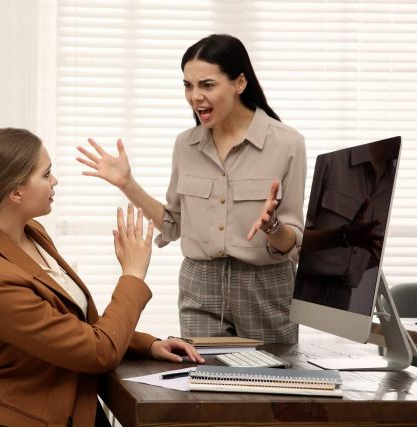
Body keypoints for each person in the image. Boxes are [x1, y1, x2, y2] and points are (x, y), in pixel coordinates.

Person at [0, 128, 203, 427]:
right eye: (46, 174)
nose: (55, 181)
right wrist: (133, 274)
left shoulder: (32, 234)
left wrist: (147, 345)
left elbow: (73, 327)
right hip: (29, 417)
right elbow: (97, 353)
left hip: (71, 400)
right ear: (16, 192)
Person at [76, 34, 306, 344]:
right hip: (201, 284)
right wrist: (127, 184)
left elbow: (293, 241)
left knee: (273, 383)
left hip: (265, 286)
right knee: (202, 383)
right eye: (188, 85)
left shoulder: (287, 143)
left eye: (207, 85)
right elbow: (173, 225)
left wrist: (273, 226)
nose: (195, 96)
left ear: (239, 83)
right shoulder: (186, 144)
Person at [294, 138, 399, 311]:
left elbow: (365, 249)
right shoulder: (331, 160)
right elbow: (290, 237)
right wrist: (343, 236)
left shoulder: (393, 183)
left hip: (342, 297)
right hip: (303, 289)